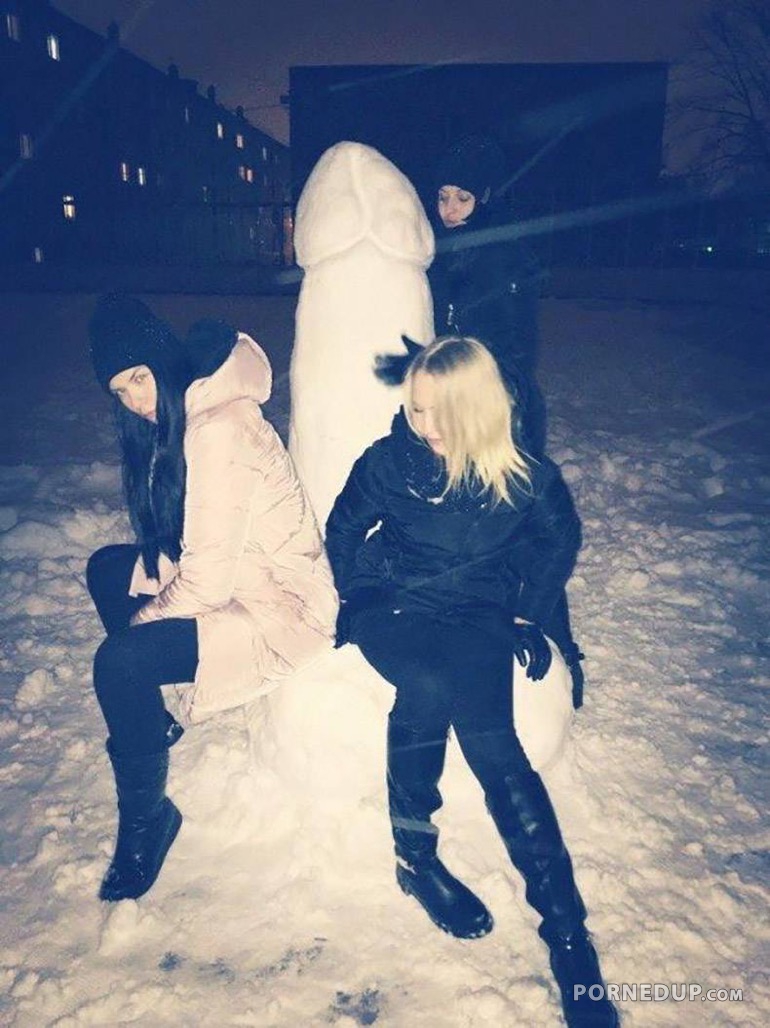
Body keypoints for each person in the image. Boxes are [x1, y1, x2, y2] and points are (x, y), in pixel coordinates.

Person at [325, 336, 618, 1028]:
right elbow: (342, 528)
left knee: (497, 748)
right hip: (395, 603)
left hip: (478, 610)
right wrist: (356, 592)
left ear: (480, 409)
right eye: (416, 409)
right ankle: (416, 860)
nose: (425, 425)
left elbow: (559, 540)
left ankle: (569, 939)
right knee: (426, 687)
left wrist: (527, 612)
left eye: (440, 412)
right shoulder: (389, 461)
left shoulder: (522, 475)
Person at [86, 295, 337, 902]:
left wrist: (141, 625)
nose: (135, 400)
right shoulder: (189, 413)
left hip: (279, 609)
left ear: (162, 361)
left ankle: (149, 822)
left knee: (119, 662)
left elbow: (207, 584)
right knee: (107, 570)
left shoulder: (217, 427)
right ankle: (149, 723)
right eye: (120, 391)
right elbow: (198, 550)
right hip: (240, 579)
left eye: (139, 378)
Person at [428, 135, 585, 705]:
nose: (449, 209)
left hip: (502, 408)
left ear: (485, 198)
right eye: (443, 196)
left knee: (519, 527)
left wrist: (491, 404)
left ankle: (561, 646)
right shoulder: (446, 251)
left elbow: (515, 347)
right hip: (457, 404)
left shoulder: (500, 255)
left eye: (462, 198)